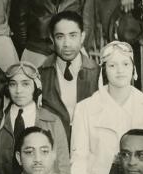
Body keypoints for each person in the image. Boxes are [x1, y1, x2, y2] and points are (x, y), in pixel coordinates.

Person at [70, 41, 143, 174]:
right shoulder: (85, 108)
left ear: (133, 68)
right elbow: (78, 160)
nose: (120, 71)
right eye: (112, 65)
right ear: (104, 70)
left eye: (126, 64)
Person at [38, 11, 100, 141]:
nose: (67, 44)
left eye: (73, 35)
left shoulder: (97, 73)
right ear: (52, 39)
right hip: (54, 146)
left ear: (82, 37)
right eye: (60, 37)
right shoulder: (41, 74)